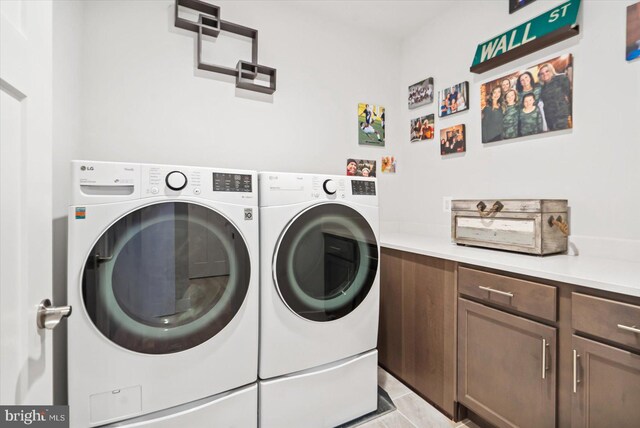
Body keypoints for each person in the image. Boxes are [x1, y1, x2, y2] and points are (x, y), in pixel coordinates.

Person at [538, 63, 572, 131]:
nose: (545, 74)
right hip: (549, 119)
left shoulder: (561, 78)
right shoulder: (542, 88)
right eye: (542, 73)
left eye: (547, 71)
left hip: (562, 117)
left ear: (551, 70)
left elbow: (568, 96)